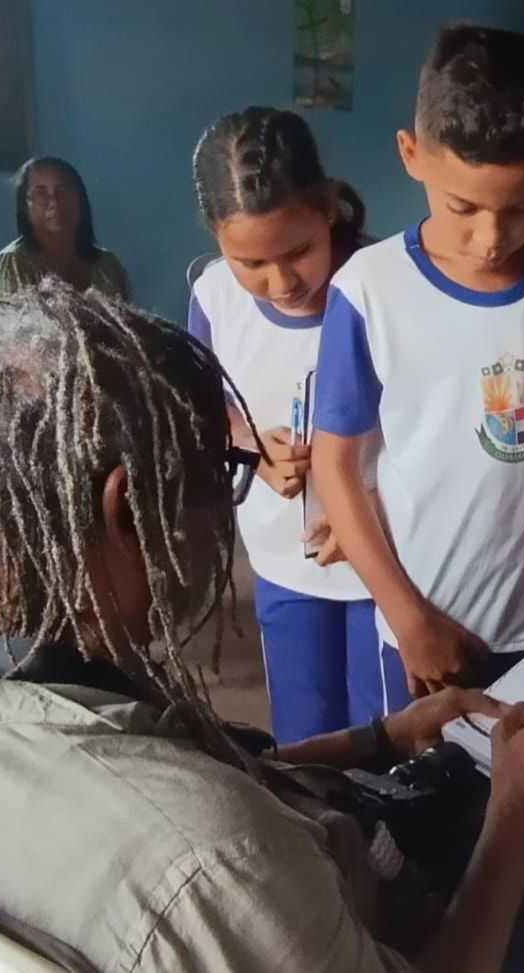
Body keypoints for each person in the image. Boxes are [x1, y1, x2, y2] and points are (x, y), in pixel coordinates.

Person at [0, 282, 524, 973]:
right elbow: (216, 846)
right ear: (127, 510)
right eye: (221, 468)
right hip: (394, 926)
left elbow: (166, 765)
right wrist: (519, 809)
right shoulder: (217, 858)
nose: (228, 507)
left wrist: (379, 738)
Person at [311, 26, 524, 713]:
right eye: (462, 207)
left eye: (519, 207)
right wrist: (408, 617)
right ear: (410, 155)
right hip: (422, 625)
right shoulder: (368, 289)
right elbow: (335, 467)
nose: (489, 237)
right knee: (415, 802)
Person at [189, 108, 381, 743]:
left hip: (387, 557)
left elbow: (439, 422)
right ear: (215, 235)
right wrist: (246, 445)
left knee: (384, 731)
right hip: (280, 558)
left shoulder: (386, 289)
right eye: (249, 261)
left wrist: (371, 507)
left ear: (328, 207)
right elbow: (205, 404)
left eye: (297, 251)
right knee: (304, 736)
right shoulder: (215, 296)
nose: (280, 282)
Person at [0, 157, 130, 308]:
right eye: (41, 193)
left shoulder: (108, 267)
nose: (54, 202)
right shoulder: (11, 266)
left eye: (63, 190)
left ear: (80, 200)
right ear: (25, 206)